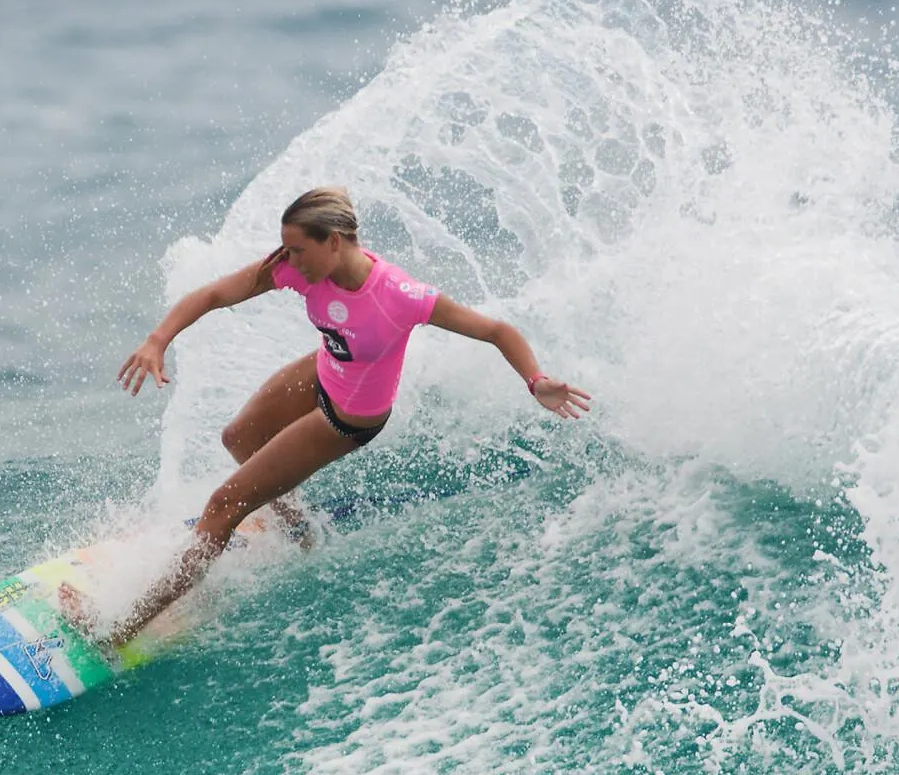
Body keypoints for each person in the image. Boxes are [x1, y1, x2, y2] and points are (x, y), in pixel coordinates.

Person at [61, 186, 591, 648]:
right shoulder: (301, 268)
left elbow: (496, 330)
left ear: (333, 241)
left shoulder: (400, 297)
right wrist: (158, 340)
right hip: (326, 368)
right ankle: (299, 527)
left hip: (350, 417)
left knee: (223, 505)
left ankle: (118, 628)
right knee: (239, 436)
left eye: (298, 249)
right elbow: (216, 293)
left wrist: (535, 381)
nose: (286, 261)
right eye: (286, 248)